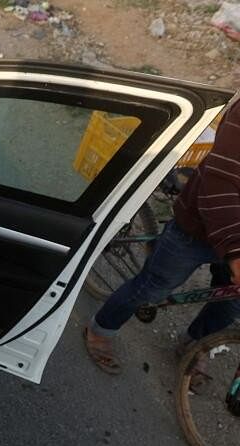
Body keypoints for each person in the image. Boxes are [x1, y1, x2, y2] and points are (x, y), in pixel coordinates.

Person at [84, 99, 240, 375]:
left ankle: (194, 344)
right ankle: (100, 329)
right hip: (200, 227)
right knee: (153, 287)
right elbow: (220, 181)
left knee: (229, 304)